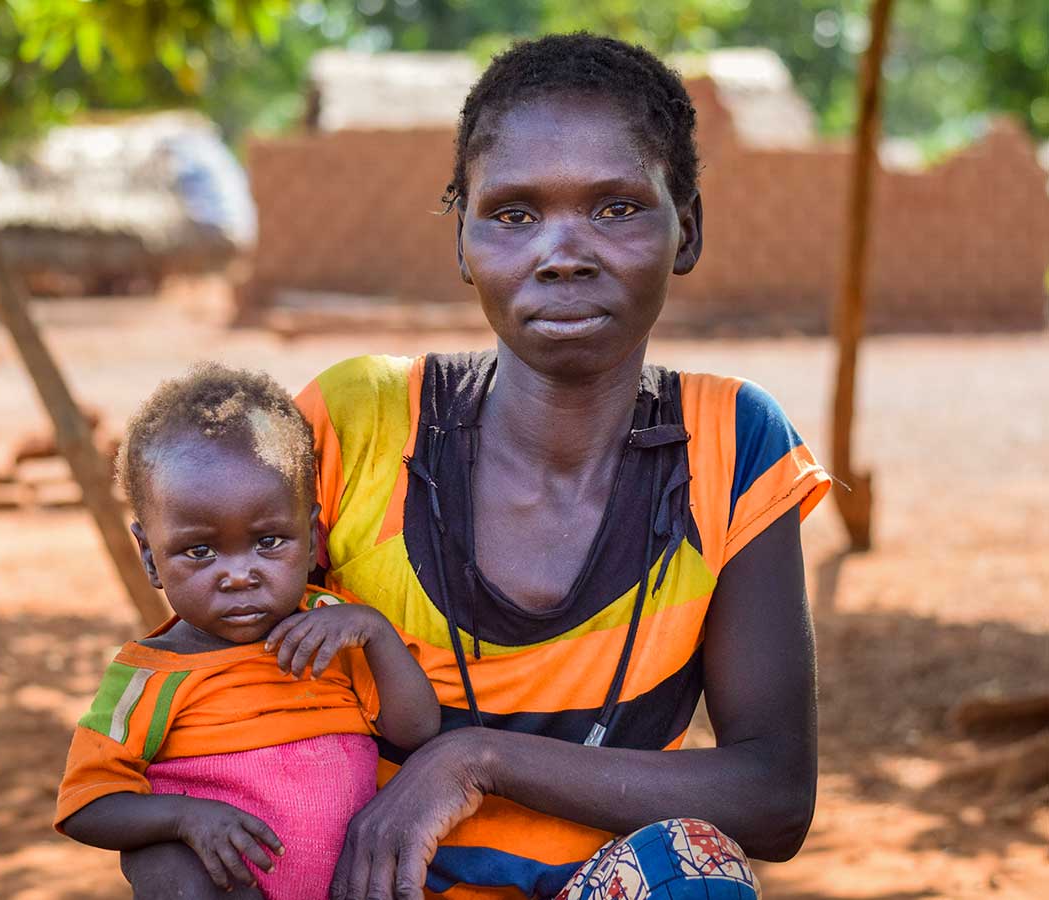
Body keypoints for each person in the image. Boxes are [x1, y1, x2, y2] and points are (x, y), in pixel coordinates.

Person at [123, 31, 831, 900]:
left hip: (591, 883)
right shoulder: (356, 423)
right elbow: (198, 666)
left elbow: (773, 797)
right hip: (350, 881)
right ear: (462, 241)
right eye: (512, 214)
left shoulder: (734, 445)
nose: (560, 253)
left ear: (685, 227)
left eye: (615, 208)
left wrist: (474, 759)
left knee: (694, 873)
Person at [56, 364, 441, 900]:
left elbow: (417, 731)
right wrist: (186, 819)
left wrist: (374, 632)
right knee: (163, 865)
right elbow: (86, 804)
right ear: (149, 557)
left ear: (310, 537)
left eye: (268, 541)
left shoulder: (332, 630)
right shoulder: (149, 675)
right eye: (200, 551)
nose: (239, 573)